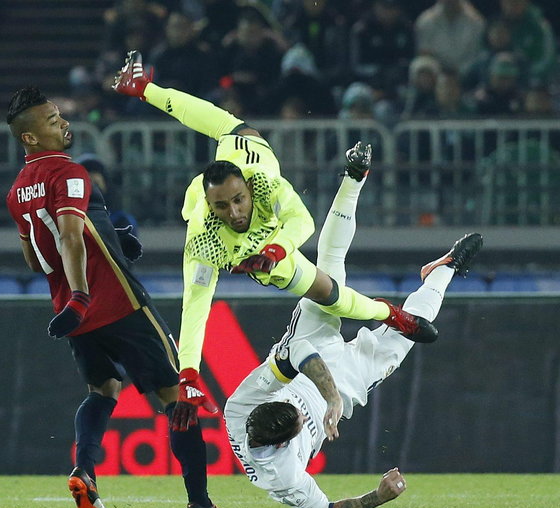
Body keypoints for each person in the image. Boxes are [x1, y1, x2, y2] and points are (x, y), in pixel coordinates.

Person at [113, 51, 437, 421]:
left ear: (248, 188)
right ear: (208, 202)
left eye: (238, 200)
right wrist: (188, 373)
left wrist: (275, 250)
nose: (234, 212)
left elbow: (302, 222)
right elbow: (195, 308)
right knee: (320, 292)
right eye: (222, 206)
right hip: (251, 256)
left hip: (273, 251)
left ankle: (390, 314)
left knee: (332, 298)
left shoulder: (266, 184)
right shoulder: (202, 237)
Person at [4, 86, 229, 508]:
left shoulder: (17, 192)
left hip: (73, 316)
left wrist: (108, 242)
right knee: (176, 396)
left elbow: (36, 259)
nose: (64, 124)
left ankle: (84, 471)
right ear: (29, 137)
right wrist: (86, 293)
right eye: (52, 121)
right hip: (118, 305)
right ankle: (200, 504)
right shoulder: (69, 173)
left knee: (103, 389)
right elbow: (69, 236)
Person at [224, 149, 484, 508]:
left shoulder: (240, 408)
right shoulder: (283, 478)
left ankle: (353, 177)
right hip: (345, 385)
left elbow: (296, 350)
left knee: (329, 273)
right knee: (400, 343)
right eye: (299, 423)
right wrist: (379, 496)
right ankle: (446, 269)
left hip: (308, 361)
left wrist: (327, 399)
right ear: (285, 444)